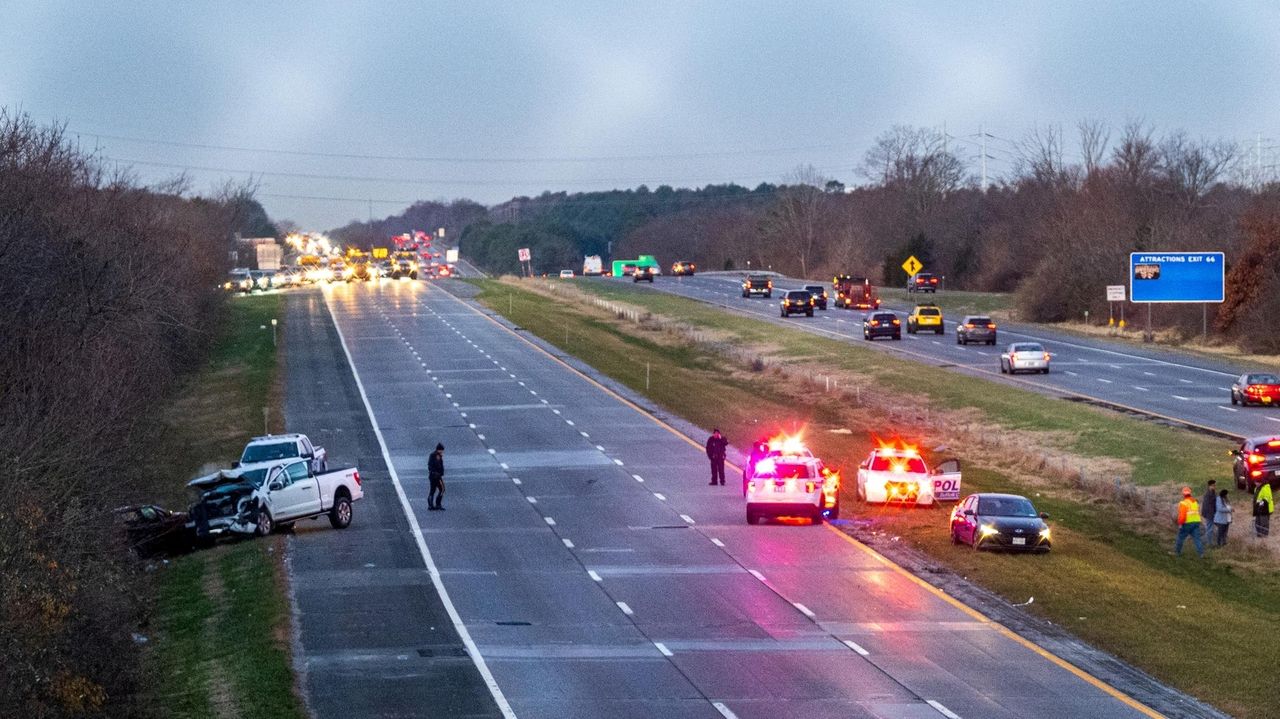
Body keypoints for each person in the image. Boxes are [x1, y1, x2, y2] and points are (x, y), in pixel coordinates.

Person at [1174, 486, 1203, 557]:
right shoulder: (1195, 502)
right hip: (1196, 522)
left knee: (1180, 538)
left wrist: (1180, 523)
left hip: (1187, 523)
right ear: (1190, 493)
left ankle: (1177, 553)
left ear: (1183, 494)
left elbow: (1182, 516)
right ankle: (1201, 554)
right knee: (1197, 539)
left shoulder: (1183, 503)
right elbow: (1198, 512)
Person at [428, 443, 445, 511]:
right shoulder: (436, 456)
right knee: (442, 489)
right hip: (436, 476)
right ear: (439, 449)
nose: (442, 451)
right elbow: (433, 466)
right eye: (441, 450)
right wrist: (438, 473)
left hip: (433, 476)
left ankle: (431, 505)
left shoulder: (435, 455)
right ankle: (437, 504)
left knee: (433, 490)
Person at [1200, 480, 1218, 544]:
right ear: (1210, 486)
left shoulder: (1212, 492)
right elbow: (1208, 506)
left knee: (1210, 528)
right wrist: (1213, 515)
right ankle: (1209, 543)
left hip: (1211, 513)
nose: (1215, 487)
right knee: (1209, 528)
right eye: (1214, 485)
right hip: (1209, 514)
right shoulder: (1208, 494)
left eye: (1215, 485)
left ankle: (1209, 541)